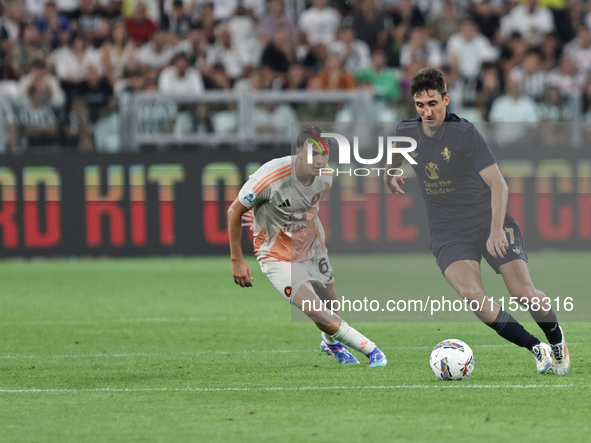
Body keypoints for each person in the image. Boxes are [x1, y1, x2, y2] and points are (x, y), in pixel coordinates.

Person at [384, 67, 570, 375]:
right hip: (447, 231)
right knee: (473, 297)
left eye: (433, 103)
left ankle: (556, 339)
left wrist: (496, 230)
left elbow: (499, 184)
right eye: (420, 105)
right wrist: (390, 175)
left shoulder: (464, 134)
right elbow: (395, 155)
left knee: (523, 292)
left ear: (446, 99)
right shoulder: (405, 131)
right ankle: (535, 348)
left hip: (488, 220)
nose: (426, 111)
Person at [227, 126, 388, 368]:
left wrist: (274, 216)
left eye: (324, 153)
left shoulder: (326, 177)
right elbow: (233, 211)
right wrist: (236, 260)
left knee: (330, 301)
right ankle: (373, 351)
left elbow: (308, 209)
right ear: (299, 151)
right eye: (313, 153)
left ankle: (331, 343)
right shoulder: (272, 174)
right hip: (276, 254)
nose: (320, 159)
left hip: (312, 245)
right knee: (314, 309)